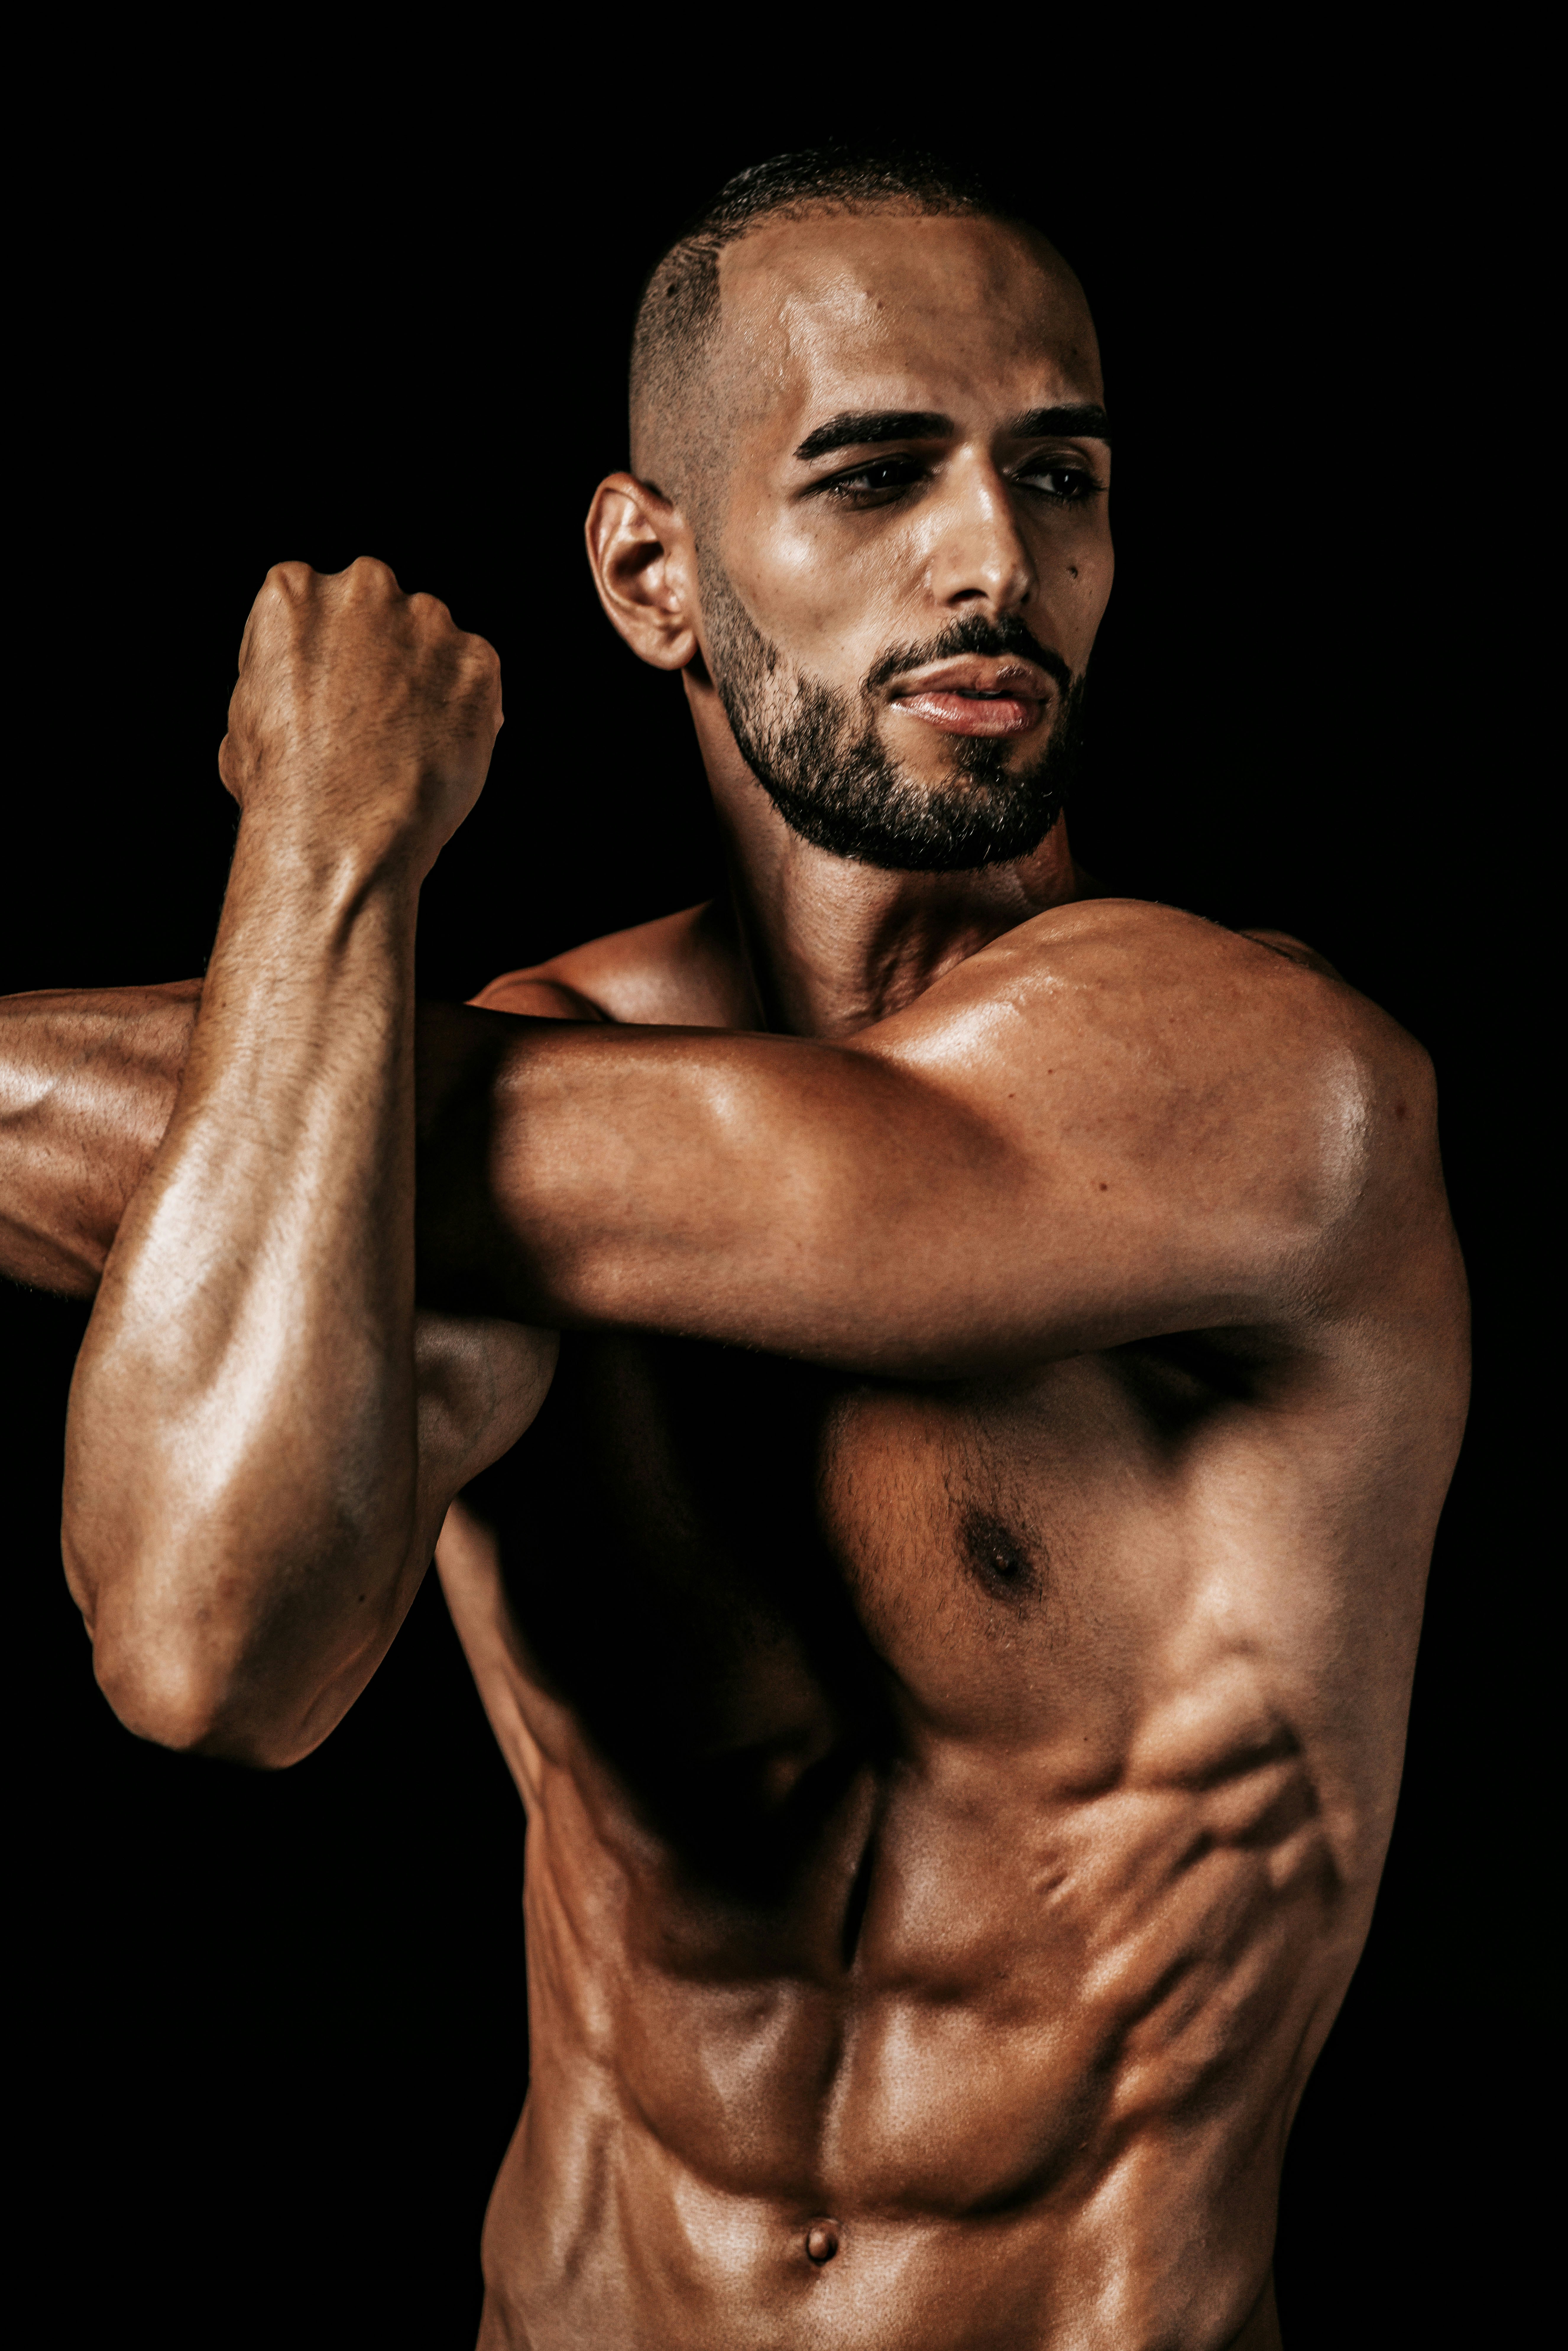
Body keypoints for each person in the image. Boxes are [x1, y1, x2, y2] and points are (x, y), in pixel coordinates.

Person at [0, 152, 1467, 2349]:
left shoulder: (1270, 1090)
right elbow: (212, 1654)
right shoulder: (502, 1073)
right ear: (651, 574)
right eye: (875, 478)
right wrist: (320, 845)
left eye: (1057, 478)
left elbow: (821, 1167)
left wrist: (317, 918)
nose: (996, 564)